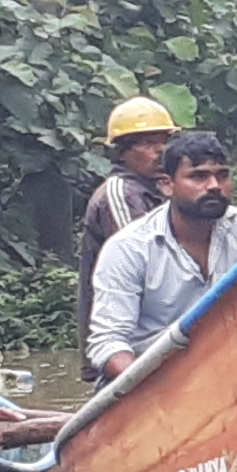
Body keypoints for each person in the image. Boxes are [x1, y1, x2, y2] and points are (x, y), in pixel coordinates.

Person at [85, 130, 237, 382]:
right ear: (167, 185)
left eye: (222, 175)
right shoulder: (128, 247)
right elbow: (109, 343)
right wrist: (156, 390)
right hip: (149, 380)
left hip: (226, 375)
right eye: (198, 176)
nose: (214, 186)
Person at [79, 95, 175, 345]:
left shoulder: (159, 190)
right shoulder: (119, 194)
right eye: (148, 143)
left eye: (164, 141)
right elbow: (137, 259)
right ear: (123, 152)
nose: (160, 151)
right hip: (126, 334)